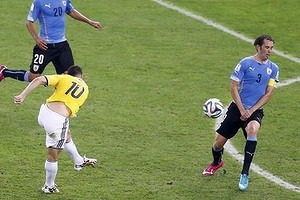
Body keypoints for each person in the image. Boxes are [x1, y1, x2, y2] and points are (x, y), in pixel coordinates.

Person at [202, 35, 280, 191]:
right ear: (258, 47)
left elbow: (269, 93)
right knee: (218, 144)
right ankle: (217, 162)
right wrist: (242, 109)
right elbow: (233, 87)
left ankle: (244, 174)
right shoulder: (245, 64)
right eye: (267, 47)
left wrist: (251, 110)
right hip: (237, 108)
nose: (269, 51)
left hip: (255, 110)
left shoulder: (274, 69)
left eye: (271, 48)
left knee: (252, 130)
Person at [14, 65, 97, 194]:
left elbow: (39, 79)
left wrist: (23, 95)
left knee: (66, 133)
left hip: (44, 112)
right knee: (54, 153)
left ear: (68, 73)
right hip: (57, 120)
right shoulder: (85, 88)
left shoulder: (63, 78)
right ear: (81, 76)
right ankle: (49, 186)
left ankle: (79, 161)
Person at [0, 0, 102, 82]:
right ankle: (4, 72)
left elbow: (71, 11)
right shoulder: (39, 2)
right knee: (33, 78)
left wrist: (90, 21)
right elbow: (29, 22)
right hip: (45, 46)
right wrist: (37, 38)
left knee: (69, 78)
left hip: (62, 45)